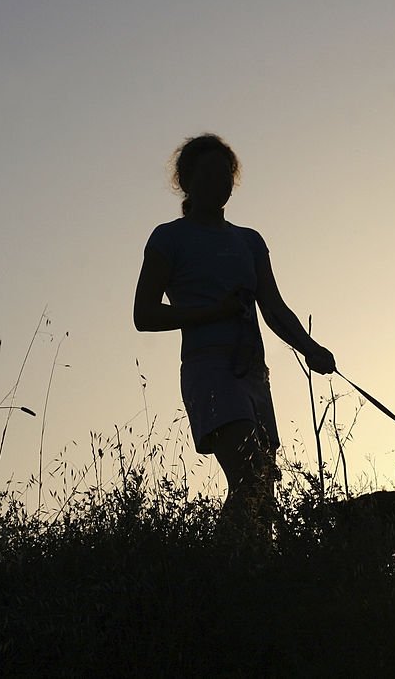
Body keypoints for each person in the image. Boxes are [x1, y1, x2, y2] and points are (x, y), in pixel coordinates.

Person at [133, 133, 335, 557]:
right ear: (185, 180)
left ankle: (253, 576)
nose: (219, 181)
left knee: (263, 485)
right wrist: (214, 312)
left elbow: (274, 308)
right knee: (251, 476)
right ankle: (221, 574)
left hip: (254, 375)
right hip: (209, 369)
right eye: (207, 173)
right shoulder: (168, 238)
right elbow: (144, 315)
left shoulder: (249, 241)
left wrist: (310, 347)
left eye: (225, 174)